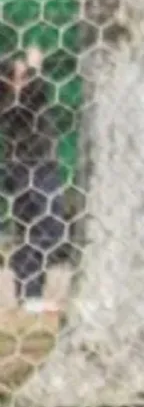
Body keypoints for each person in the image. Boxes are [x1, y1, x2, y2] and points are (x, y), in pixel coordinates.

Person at [0, 46, 65, 314]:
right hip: (28, 169)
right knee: (43, 227)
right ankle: (31, 295)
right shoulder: (12, 102)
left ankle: (31, 294)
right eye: (21, 73)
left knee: (38, 229)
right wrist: (36, 65)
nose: (25, 75)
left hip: (38, 167)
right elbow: (35, 95)